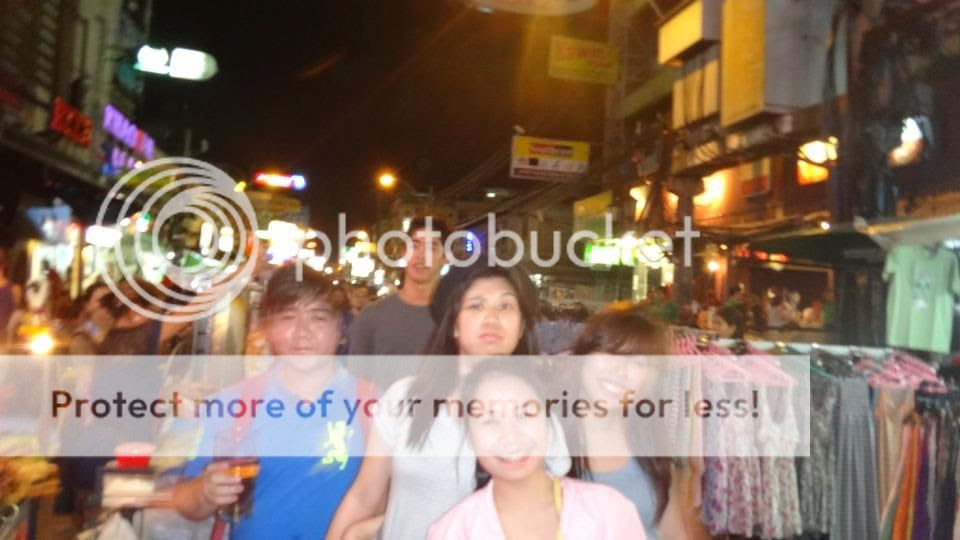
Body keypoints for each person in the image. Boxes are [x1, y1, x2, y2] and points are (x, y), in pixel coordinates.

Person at [327, 260, 568, 540]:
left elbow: (553, 510)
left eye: (505, 306)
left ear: (522, 326)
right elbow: (365, 495)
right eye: (476, 305)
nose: (492, 318)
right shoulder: (405, 398)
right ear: (454, 325)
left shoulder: (538, 416)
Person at [173, 264, 372, 538]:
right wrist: (205, 493)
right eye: (288, 318)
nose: (302, 332)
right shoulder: (231, 404)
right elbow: (185, 501)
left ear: (341, 329)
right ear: (267, 328)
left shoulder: (375, 405)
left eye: (318, 318)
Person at [428, 358, 646, 539]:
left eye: (524, 414)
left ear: (548, 424)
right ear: (469, 436)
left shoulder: (608, 512)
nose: (511, 438)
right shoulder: (451, 532)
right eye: (490, 421)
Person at [563, 303, 695, 540]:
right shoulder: (544, 437)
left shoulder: (652, 443)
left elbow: (672, 531)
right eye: (611, 352)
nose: (620, 371)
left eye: (638, 363)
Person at [347, 217, 449, 387]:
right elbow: (356, 384)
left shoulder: (457, 317)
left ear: (446, 257)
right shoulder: (372, 316)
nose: (421, 255)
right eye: (415, 246)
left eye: (431, 248)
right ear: (403, 253)